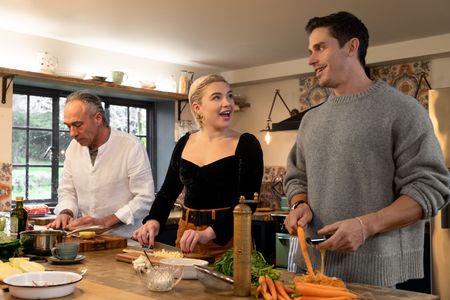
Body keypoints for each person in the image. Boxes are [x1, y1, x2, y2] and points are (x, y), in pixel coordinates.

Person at [283, 11, 450, 287]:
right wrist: (300, 203)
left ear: (352, 46)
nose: (311, 60)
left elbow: (431, 188)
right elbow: (296, 177)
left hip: (377, 277)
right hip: (312, 273)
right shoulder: (311, 120)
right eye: (310, 51)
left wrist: (365, 226)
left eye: (320, 48)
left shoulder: (402, 110)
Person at [133, 74, 263, 258]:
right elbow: (167, 192)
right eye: (217, 97)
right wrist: (154, 220)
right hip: (187, 237)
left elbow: (248, 203)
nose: (227, 103)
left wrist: (207, 234)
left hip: (230, 240)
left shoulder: (247, 144)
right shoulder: (184, 142)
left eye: (230, 96)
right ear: (197, 108)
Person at [47, 90, 155, 237]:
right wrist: (66, 212)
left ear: (98, 118)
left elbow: (145, 198)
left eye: (77, 125)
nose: (72, 133)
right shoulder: (74, 148)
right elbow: (68, 190)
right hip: (85, 237)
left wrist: (105, 222)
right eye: (68, 126)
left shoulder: (130, 146)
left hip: (126, 240)